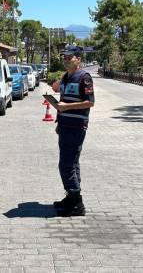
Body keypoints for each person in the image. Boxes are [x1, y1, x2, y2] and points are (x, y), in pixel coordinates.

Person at [50, 45, 95, 216]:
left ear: (78, 59)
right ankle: (71, 196)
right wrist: (59, 121)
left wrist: (67, 107)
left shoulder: (85, 77)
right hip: (65, 125)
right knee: (72, 163)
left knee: (66, 164)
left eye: (69, 57)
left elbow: (90, 102)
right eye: (64, 57)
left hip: (76, 127)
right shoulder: (66, 77)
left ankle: (77, 202)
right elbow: (57, 91)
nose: (66, 60)